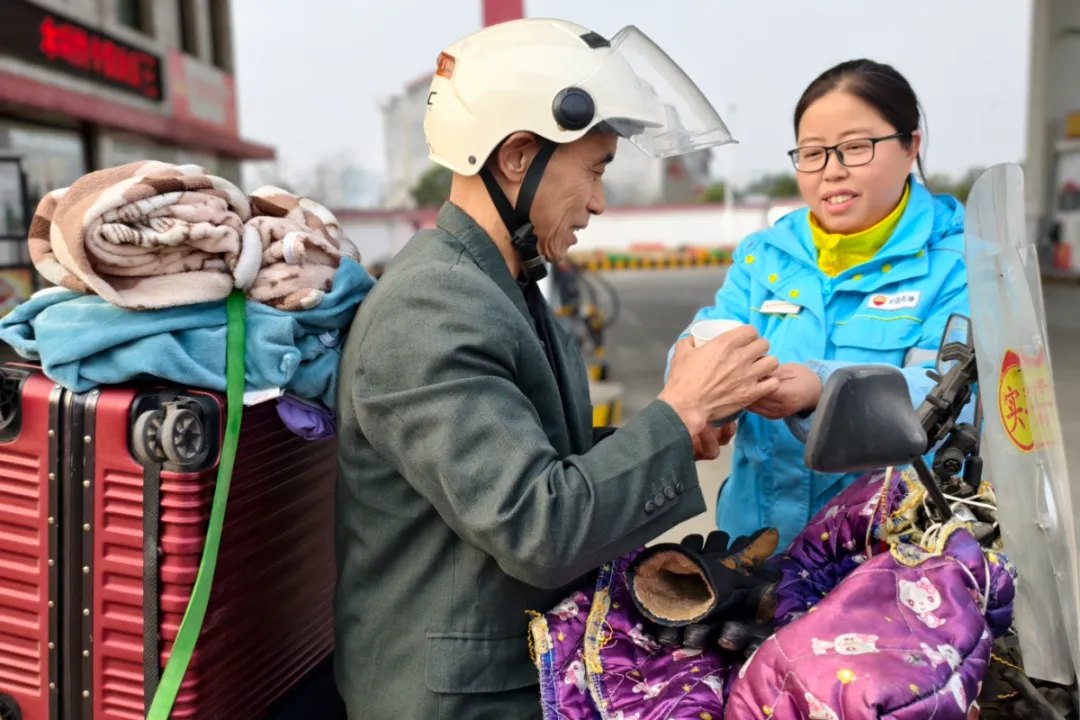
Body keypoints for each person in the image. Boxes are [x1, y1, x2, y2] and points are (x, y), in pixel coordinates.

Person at [333, 18, 781, 719]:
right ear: (517, 157)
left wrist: (671, 438)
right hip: (459, 700)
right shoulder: (432, 306)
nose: (600, 201)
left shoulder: (499, 284)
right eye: (596, 168)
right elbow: (538, 529)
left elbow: (542, 463)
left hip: (515, 670)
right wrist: (676, 414)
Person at [670, 59, 971, 551]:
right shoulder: (766, 257)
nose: (832, 171)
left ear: (910, 146)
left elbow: (956, 399)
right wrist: (698, 389)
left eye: (855, 148)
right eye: (812, 154)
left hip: (884, 562)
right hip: (754, 550)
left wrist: (822, 390)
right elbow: (705, 338)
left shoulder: (956, 266)